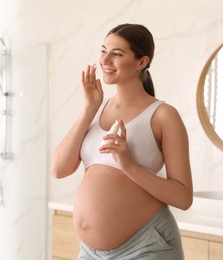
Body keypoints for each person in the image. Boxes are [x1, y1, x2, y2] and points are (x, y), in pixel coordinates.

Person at [51, 23, 193, 259]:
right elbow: (59, 168)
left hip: (146, 246)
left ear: (141, 62)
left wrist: (128, 165)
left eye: (117, 54)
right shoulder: (96, 108)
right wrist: (89, 108)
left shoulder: (163, 115)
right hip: (89, 252)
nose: (105, 60)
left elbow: (183, 197)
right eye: (103, 50)